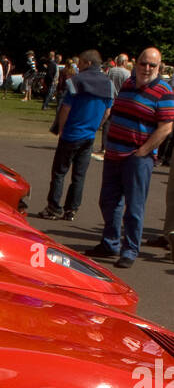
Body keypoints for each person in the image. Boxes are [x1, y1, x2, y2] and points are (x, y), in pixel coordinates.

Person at [89, 47, 174, 268]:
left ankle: (130, 249)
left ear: (159, 67)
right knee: (108, 201)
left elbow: (166, 127)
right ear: (136, 64)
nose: (147, 68)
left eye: (152, 65)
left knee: (134, 208)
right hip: (114, 153)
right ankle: (110, 243)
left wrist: (144, 151)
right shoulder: (128, 83)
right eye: (143, 63)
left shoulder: (163, 91)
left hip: (137, 157)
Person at [41, 50, 113, 221]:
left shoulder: (76, 81)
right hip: (89, 135)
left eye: (80, 63)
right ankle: (71, 209)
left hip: (72, 133)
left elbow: (66, 108)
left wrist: (62, 128)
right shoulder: (108, 84)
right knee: (79, 175)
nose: (77, 66)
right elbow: (107, 111)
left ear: (88, 63)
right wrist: (97, 126)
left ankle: (54, 207)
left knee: (59, 172)